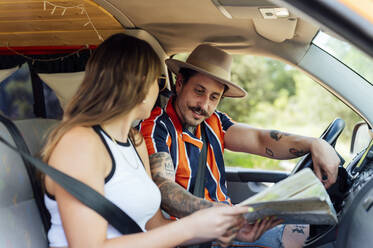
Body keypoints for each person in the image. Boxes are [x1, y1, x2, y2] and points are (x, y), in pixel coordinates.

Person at [40, 34, 280, 248]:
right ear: (141, 84)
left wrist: (224, 230)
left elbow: (154, 226)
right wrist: (192, 226)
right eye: (158, 81)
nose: (160, 90)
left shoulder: (134, 142)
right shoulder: (79, 144)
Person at [139, 44, 341, 247]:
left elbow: (261, 140)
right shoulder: (157, 126)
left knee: (311, 234)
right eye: (199, 91)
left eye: (214, 97)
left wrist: (316, 144)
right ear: (180, 83)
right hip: (196, 237)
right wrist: (222, 216)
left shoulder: (213, 121)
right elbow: (163, 188)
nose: (204, 105)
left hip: (228, 226)